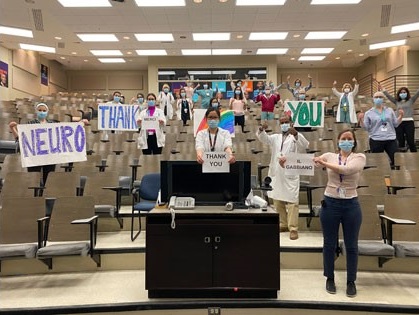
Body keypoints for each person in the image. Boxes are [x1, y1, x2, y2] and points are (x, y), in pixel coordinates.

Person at [313, 129, 366, 297]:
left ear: (354, 142)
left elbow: (347, 170)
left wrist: (324, 164)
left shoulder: (359, 158)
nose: (346, 141)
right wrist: (288, 161)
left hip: (351, 205)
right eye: (343, 138)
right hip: (331, 203)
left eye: (349, 139)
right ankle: (329, 277)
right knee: (329, 244)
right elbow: (310, 162)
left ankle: (351, 281)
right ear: (338, 141)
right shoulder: (329, 155)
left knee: (351, 246)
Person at [256, 113, 309, 240]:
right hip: (276, 172)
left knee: (292, 201)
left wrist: (296, 133)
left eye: (286, 122)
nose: (284, 124)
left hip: (290, 172)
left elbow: (305, 145)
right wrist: (261, 129)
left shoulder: (296, 137)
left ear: (291, 123)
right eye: (281, 122)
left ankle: (293, 228)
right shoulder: (276, 137)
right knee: (277, 199)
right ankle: (283, 224)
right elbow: (264, 139)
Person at [9, 103, 56, 184]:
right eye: (40, 110)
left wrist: (80, 124)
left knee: (48, 180)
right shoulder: (30, 124)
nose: (42, 112)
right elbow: (21, 139)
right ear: (36, 111)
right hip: (34, 156)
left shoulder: (53, 124)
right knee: (33, 179)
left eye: (44, 110)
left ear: (47, 112)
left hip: (49, 156)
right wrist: (12, 128)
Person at [359, 91, 403, 167]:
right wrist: (361, 120)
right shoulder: (368, 113)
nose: (378, 98)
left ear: (383, 99)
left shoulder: (390, 110)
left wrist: (401, 116)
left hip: (390, 139)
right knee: (377, 162)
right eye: (376, 97)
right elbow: (366, 128)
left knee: (395, 161)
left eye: (380, 97)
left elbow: (395, 124)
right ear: (373, 99)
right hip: (376, 139)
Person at [380, 85, 419, 152]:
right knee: (400, 142)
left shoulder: (411, 100)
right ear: (399, 94)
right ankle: (401, 158)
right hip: (399, 122)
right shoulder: (396, 102)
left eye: (404, 92)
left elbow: (417, 93)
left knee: (411, 141)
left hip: (409, 122)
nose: (403, 94)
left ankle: (415, 157)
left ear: (407, 93)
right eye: (401, 92)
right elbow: (389, 96)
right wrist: (383, 90)